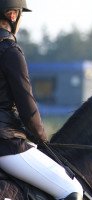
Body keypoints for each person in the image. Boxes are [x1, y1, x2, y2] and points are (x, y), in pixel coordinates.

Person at [0, 0, 84, 199]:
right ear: (12, 15)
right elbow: (27, 108)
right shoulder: (10, 51)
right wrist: (42, 138)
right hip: (6, 144)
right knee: (72, 189)